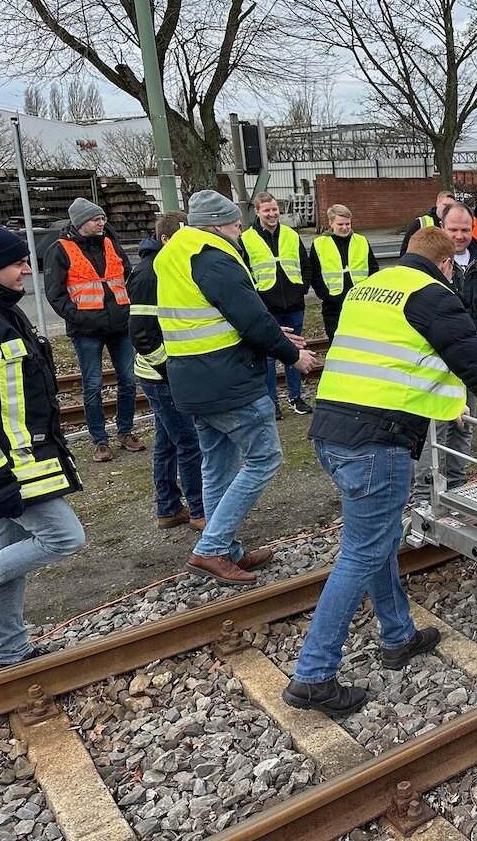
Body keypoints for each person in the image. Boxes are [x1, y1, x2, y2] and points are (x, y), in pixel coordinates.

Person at [284, 227, 477, 717]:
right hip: (375, 444)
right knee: (360, 554)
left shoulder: (369, 289)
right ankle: (313, 676)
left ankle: (398, 634)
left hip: (332, 433)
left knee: (375, 541)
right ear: (446, 265)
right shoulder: (433, 297)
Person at [157, 190, 318, 586]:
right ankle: (211, 549)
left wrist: (268, 333)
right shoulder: (214, 258)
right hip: (228, 381)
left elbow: (218, 317)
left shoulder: (177, 254)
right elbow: (250, 318)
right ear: (215, 224)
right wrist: (291, 356)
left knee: (218, 466)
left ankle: (225, 548)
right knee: (265, 459)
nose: (239, 230)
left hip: (194, 380)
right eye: (234, 224)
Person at [0, 227, 85, 667]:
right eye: (17, 263)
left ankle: (9, 652)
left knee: (6, 557)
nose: (28, 270)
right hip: (9, 468)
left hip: (24, 459)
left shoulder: (8, 314)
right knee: (64, 537)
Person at [413, 204, 477, 502]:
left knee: (464, 426)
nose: (459, 236)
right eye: (453, 229)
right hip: (435, 362)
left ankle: (456, 488)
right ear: (441, 227)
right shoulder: (430, 262)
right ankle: (425, 496)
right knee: (434, 430)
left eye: (465, 230)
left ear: (473, 229)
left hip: (471, 361)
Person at [44, 197, 143, 462]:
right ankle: (100, 441)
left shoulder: (111, 244)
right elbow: (55, 293)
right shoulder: (60, 249)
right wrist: (79, 318)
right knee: (92, 385)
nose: (101, 223)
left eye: (102, 219)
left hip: (120, 326)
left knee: (129, 381)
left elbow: (128, 276)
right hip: (86, 330)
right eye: (95, 219)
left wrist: (128, 310)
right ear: (80, 223)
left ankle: (125, 432)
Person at [129, 213, 205, 531]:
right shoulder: (150, 274)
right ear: (166, 241)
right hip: (161, 375)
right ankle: (200, 511)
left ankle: (168, 508)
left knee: (168, 442)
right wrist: (168, 369)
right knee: (189, 442)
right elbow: (142, 333)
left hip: (160, 373)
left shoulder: (160, 268)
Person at [240, 192, 313, 418]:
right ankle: (272, 401)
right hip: (266, 307)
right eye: (267, 210)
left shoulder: (291, 235)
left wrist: (301, 288)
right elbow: (244, 272)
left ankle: (295, 397)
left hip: (293, 304)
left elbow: (305, 265)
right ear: (257, 212)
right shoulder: (246, 238)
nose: (272, 214)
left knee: (296, 352)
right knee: (269, 356)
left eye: (274, 210)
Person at [310, 204, 379, 338]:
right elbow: (315, 274)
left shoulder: (361, 241)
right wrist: (326, 296)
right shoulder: (319, 243)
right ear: (330, 223)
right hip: (333, 306)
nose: (345, 228)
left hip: (360, 303)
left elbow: (373, 269)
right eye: (340, 224)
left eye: (348, 224)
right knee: (337, 343)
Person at [398, 189, 457, 257]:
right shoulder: (420, 223)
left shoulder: (456, 224)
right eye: (445, 205)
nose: (448, 209)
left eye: (451, 206)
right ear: (437, 203)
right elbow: (405, 249)